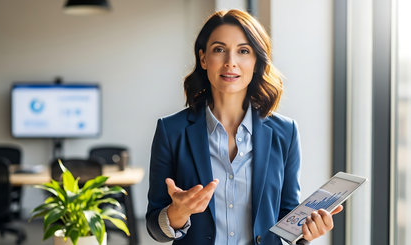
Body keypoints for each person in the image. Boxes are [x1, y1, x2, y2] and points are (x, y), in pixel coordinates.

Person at [146, 9, 342, 245]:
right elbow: (154, 227)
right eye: (219, 49)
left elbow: (285, 218)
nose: (231, 62)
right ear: (203, 58)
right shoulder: (171, 131)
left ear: (256, 61)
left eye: (243, 51)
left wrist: (306, 232)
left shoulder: (285, 132)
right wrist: (178, 213)